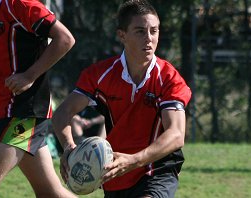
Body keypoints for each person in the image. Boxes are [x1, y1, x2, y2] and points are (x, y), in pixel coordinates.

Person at [52, 0, 191, 197]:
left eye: (154, 31)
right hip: (114, 173)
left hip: (156, 171)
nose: (149, 38)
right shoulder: (100, 75)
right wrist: (68, 148)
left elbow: (176, 134)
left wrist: (135, 160)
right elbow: (62, 114)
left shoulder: (168, 78)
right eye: (140, 31)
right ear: (122, 35)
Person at [0, 0, 77, 197]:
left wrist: (30, 75)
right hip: (4, 110)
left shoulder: (19, 5)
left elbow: (65, 39)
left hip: (23, 111)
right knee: (51, 193)